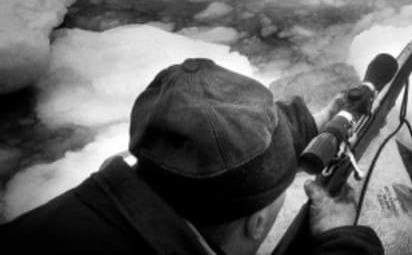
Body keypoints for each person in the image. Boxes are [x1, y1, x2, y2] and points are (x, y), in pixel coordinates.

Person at [0, 58, 384, 255]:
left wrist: (312, 125)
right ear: (257, 223)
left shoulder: (88, 210)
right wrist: (342, 241)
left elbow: (215, 140)